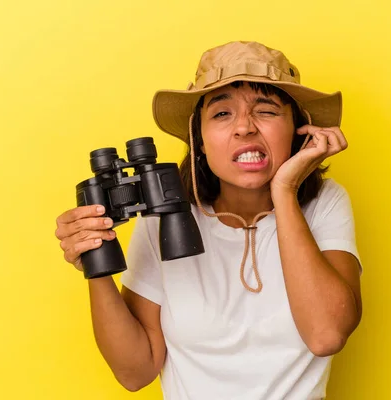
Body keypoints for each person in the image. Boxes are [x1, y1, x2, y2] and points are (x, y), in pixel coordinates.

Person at [55, 41, 363, 399]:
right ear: (198, 139)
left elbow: (326, 335)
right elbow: (135, 371)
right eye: (221, 114)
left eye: (266, 111)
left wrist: (285, 190)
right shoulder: (165, 217)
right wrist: (97, 261)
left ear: (298, 129)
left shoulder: (324, 203)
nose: (244, 128)